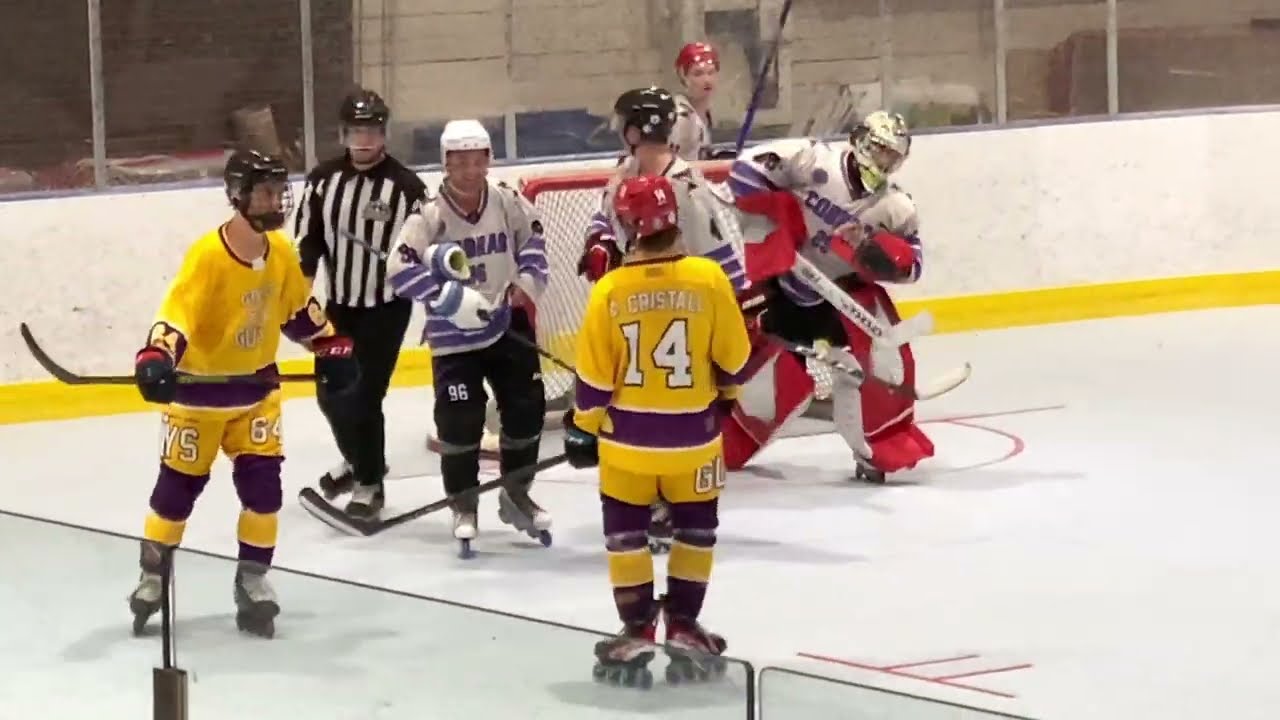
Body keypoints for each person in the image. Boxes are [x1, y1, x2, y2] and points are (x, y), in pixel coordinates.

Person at [128, 150, 358, 638]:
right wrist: (156, 357)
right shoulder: (207, 256)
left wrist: (331, 348)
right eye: (265, 192)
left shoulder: (281, 253)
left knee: (264, 494)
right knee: (174, 494)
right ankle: (153, 575)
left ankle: (252, 579)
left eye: (278, 191)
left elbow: (299, 313)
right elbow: (177, 314)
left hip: (255, 396)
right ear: (238, 195)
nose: (276, 201)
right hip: (197, 400)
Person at [563, 175, 752, 688]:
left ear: (629, 228)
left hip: (628, 445)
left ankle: (637, 627)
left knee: (626, 536)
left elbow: (593, 382)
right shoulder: (709, 278)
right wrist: (726, 396)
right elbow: (735, 361)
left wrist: (582, 427)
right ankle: (685, 625)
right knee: (696, 531)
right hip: (696, 441)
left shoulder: (610, 289)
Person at [579, 86, 748, 554]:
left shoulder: (688, 187)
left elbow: (720, 254)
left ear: (635, 129)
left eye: (623, 124)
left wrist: (732, 309)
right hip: (637, 309)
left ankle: (671, 502)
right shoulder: (624, 173)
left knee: (674, 406)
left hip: (679, 309)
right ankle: (647, 496)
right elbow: (603, 219)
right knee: (633, 403)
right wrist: (599, 243)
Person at [722, 110, 934, 481]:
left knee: (874, 368)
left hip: (837, 298)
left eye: (892, 157)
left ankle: (877, 449)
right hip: (778, 283)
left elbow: (913, 266)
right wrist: (779, 216)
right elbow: (743, 172)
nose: (884, 162)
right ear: (861, 140)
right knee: (762, 386)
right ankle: (724, 441)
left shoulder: (895, 207)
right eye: (880, 150)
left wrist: (880, 254)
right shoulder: (811, 160)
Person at [386, 119, 551, 559]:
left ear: (488, 161)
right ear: (446, 164)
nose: (470, 171)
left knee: (527, 410)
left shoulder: (507, 200)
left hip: (505, 325)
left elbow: (533, 243)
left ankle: (516, 492)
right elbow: (398, 268)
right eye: (460, 163)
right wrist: (444, 297)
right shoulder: (429, 214)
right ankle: (464, 502)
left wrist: (523, 286)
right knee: (460, 421)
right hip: (453, 337)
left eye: (477, 161)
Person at [294, 88, 428, 519]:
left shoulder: (407, 187)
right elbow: (309, 243)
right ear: (343, 134)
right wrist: (299, 299)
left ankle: (369, 484)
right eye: (356, 131)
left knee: (364, 397)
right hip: (339, 308)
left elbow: (424, 247)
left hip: (386, 310)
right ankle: (359, 460)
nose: (364, 139)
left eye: (371, 130)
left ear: (384, 133)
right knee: (329, 394)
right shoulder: (322, 181)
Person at [670, 42, 720, 161]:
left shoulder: (705, 113)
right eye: (698, 74)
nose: (707, 80)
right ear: (683, 76)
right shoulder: (680, 117)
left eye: (711, 72)